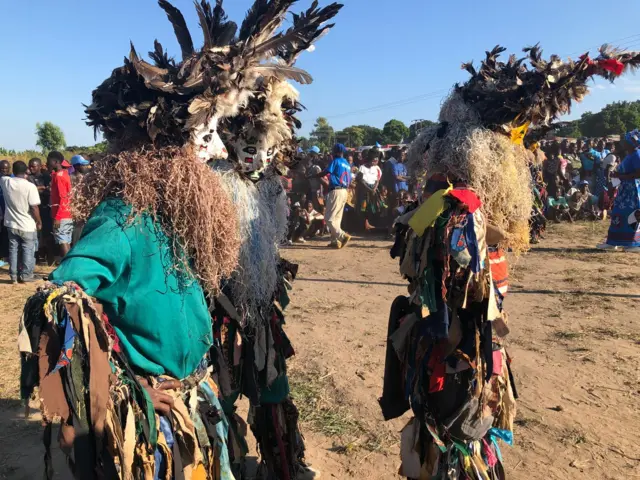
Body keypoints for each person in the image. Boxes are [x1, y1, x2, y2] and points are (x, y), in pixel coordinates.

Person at [18, 2, 341, 479]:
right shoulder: (123, 218)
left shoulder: (181, 213)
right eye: (197, 138)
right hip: (157, 418)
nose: (206, 149)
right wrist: (122, 389)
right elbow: (57, 302)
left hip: (197, 399)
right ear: (159, 154)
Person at [0, 161, 42, 283]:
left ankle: (13, 275)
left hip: (11, 223)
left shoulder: (5, 182)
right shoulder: (30, 187)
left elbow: (3, 175)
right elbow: (34, 207)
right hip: (27, 224)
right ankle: (26, 275)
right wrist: (38, 221)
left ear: (12, 170)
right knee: (28, 249)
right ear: (26, 171)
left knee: (13, 249)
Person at [598, 130, 640, 251]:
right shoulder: (630, 155)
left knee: (630, 215)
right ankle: (613, 242)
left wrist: (621, 176)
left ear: (631, 142)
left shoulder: (637, 155)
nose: (623, 142)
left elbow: (638, 174)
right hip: (625, 191)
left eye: (625, 140)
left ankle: (633, 243)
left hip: (632, 192)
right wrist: (618, 174)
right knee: (618, 214)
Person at [309, 143, 352, 248]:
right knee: (337, 218)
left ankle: (342, 236)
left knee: (329, 218)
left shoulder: (336, 161)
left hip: (336, 191)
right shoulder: (346, 163)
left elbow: (326, 172)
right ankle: (335, 241)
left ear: (337, 152)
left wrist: (313, 176)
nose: (331, 153)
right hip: (344, 191)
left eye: (333, 151)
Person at [47, 151, 73, 257]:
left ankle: (68, 267)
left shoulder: (59, 177)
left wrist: (57, 217)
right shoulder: (64, 174)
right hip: (67, 213)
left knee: (62, 241)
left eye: (49, 161)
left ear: (56, 162)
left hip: (61, 215)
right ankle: (70, 266)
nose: (47, 163)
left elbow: (63, 198)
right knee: (66, 240)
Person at [28, 157, 54, 264]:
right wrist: (40, 188)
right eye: (30, 166)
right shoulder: (28, 179)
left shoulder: (46, 177)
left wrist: (41, 189)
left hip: (45, 209)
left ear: (39, 166)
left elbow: (50, 191)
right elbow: (31, 191)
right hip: (34, 210)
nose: (31, 168)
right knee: (35, 235)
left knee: (48, 234)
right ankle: (36, 258)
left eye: (33, 166)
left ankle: (50, 259)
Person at [0, 159, 11, 267]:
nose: (4, 170)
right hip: (1, 211)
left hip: (9, 212)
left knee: (6, 235)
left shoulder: (12, 179)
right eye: (2, 168)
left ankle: (6, 257)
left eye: (6, 168)